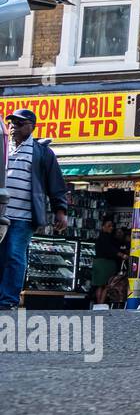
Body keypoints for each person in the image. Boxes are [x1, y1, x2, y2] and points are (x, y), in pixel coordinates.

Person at [0, 108, 69, 310]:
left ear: (32, 126)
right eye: (12, 123)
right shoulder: (4, 148)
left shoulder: (42, 153)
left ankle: (8, 300)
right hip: (2, 216)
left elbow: (56, 184)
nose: (14, 127)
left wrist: (60, 211)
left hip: (24, 217)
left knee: (14, 254)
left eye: (20, 124)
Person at [90, 218, 124, 306]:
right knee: (107, 285)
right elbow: (111, 249)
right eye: (109, 226)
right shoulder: (107, 238)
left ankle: (98, 304)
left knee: (100, 285)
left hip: (98, 262)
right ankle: (101, 305)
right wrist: (121, 254)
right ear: (103, 227)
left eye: (112, 226)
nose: (111, 228)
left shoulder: (100, 237)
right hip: (106, 263)